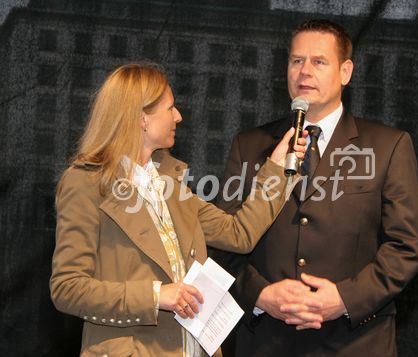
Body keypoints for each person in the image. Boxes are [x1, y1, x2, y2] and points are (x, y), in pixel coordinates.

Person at [50, 62, 306, 357]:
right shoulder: (86, 182)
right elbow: (68, 289)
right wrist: (156, 295)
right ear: (142, 117)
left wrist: (277, 168)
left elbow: (240, 234)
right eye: (170, 108)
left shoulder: (170, 184)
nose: (179, 116)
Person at [212, 19, 418, 356]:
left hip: (355, 342)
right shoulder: (250, 145)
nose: (304, 72)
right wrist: (261, 296)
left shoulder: (388, 146)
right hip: (267, 341)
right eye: (296, 61)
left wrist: (343, 299)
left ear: (345, 72)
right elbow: (220, 244)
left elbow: (406, 248)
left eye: (319, 62)